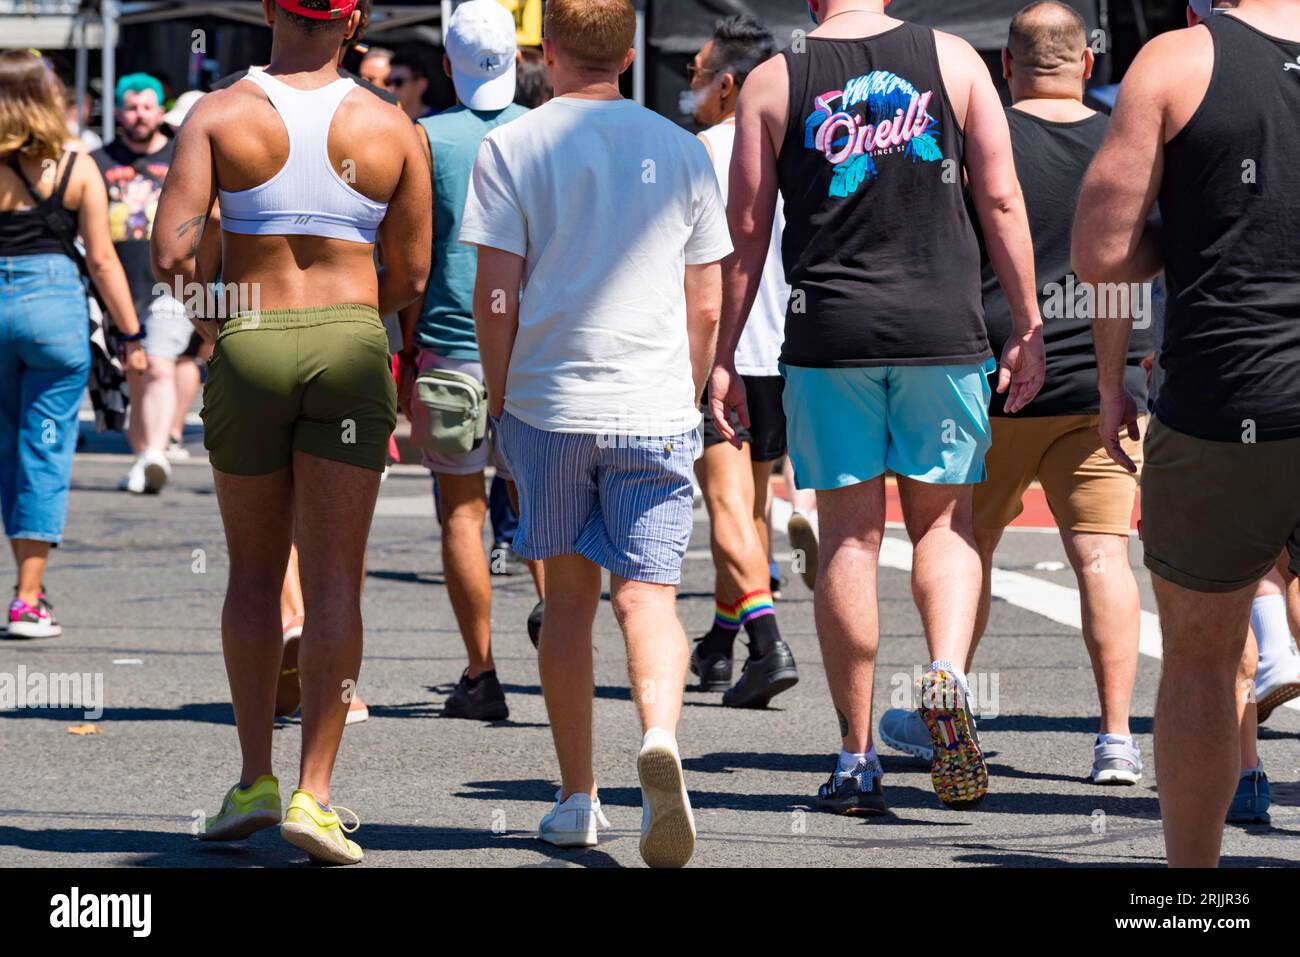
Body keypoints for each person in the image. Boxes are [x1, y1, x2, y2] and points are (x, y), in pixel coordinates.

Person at [716, 0, 1045, 814]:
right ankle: (945, 672)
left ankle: (857, 756)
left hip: (831, 336)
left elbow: (746, 232)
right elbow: (1001, 200)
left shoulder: (771, 80)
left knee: (849, 536)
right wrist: (1030, 321)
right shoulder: (958, 61)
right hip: (943, 328)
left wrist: (721, 356)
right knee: (944, 523)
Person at [153, 0, 430, 864]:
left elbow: (170, 249)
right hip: (350, 341)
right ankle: (316, 793)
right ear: (356, 24)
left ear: (272, 9)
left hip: (250, 334)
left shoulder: (220, 113)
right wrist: (349, 320)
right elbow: (414, 270)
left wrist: (216, 323)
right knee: (337, 578)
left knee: (252, 574)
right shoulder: (391, 127)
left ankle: (252, 778)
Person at [463, 0, 732, 866]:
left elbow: (494, 297)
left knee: (568, 602)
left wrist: (500, 403)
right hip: (652, 404)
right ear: (631, 50)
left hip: (549, 403)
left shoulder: (513, 144)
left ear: (545, 48)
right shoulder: (682, 148)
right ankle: (659, 734)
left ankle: (578, 796)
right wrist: (686, 392)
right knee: (648, 597)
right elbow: (705, 301)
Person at [877, 1, 1149, 786]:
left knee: (961, 543)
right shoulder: (1118, 137)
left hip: (993, 372)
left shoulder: (982, 134)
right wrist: (1137, 367)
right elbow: (1136, 261)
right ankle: (1116, 739)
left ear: (1005, 64)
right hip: (1104, 379)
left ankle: (949, 691)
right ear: (1091, 63)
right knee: (1103, 559)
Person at [1073, 0, 1299, 867]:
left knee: (1203, 665)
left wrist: (1197, 231)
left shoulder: (1175, 61)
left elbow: (1099, 252)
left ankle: (1196, 900)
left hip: (1227, 393)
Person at [396, 0, 537, 721]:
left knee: (461, 511)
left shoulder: (422, 139)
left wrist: (405, 352)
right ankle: (558, 627)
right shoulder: (544, 131)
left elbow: (411, 261)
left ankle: (481, 673)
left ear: (447, 65)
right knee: (542, 507)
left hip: (449, 349)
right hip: (533, 351)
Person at [1, 50, 146, 639]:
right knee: (45, 447)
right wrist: (132, 335)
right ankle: (28, 598)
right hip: (55, 315)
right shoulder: (76, 165)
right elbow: (105, 260)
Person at [686, 14, 800, 708]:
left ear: (727, 85)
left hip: (718, 349)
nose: (690, 88)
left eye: (696, 75)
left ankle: (765, 639)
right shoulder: (793, 146)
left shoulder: (699, 153)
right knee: (751, 509)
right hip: (781, 348)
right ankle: (723, 642)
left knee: (726, 506)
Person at [92, 73, 191, 495]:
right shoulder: (97, 160)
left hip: (167, 283)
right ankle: (144, 456)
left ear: (160, 111)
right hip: (115, 284)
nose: (139, 115)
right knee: (131, 374)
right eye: (131, 107)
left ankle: (155, 453)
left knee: (158, 361)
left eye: (147, 107)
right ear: (117, 111)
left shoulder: (181, 156)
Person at [388, 55, 432, 121]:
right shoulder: (385, 120)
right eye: (388, 82)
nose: (390, 88)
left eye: (398, 82)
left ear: (421, 85)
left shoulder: (438, 120)